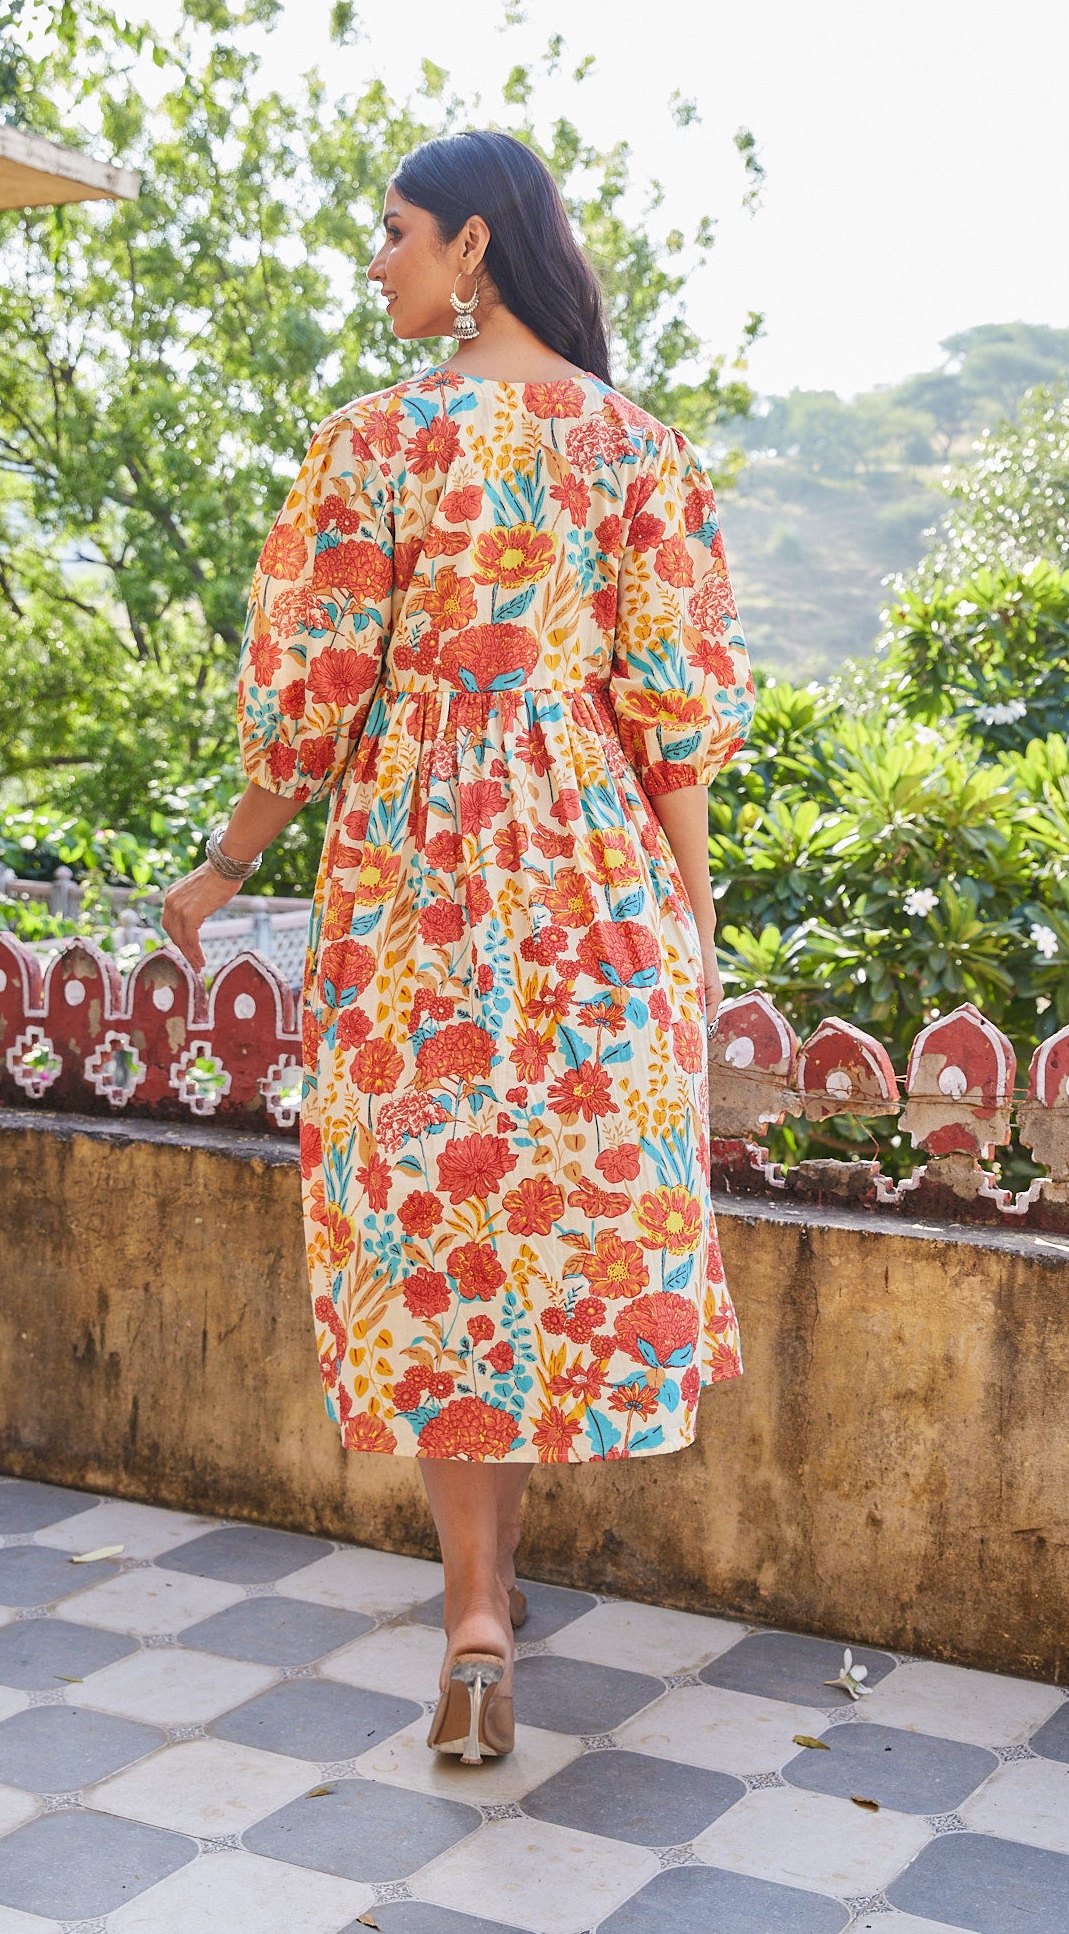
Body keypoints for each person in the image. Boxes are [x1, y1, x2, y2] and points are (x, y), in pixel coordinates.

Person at [163, 129, 756, 1765]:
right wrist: (693, 930)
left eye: (398, 230)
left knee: (435, 1225)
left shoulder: (376, 443)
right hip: (588, 884)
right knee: (549, 1217)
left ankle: (474, 1616)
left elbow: (311, 701)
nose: (381, 259)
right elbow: (676, 727)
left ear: (473, 245)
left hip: (420, 882)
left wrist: (223, 870)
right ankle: (492, 1613)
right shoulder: (633, 445)